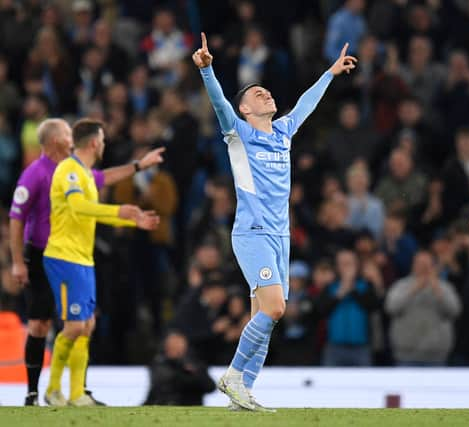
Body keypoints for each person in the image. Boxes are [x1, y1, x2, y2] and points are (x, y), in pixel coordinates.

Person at [192, 32, 356, 411]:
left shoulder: (283, 132)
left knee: (264, 317)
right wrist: (207, 70)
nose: (265, 94)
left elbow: (306, 105)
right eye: (256, 94)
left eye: (266, 91)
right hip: (252, 233)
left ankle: (241, 396)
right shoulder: (239, 133)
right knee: (275, 308)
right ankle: (232, 376)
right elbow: (219, 103)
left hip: (280, 236)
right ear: (245, 110)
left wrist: (329, 74)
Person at [8, 118, 164, 406]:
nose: (104, 144)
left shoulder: (82, 172)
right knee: (56, 324)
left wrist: (137, 175)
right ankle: (48, 390)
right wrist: (17, 260)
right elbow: (68, 210)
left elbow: (99, 189)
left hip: (81, 256)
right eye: (102, 140)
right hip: (57, 255)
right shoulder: (58, 172)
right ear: (93, 142)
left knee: (87, 324)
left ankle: (77, 392)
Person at [143, 332, 216, 406]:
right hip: (165, 404)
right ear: (166, 346)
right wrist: (191, 374)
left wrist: (195, 374)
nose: (176, 347)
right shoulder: (159, 363)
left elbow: (210, 387)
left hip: (191, 406)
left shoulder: (195, 363)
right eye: (173, 344)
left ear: (185, 346)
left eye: (179, 344)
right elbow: (167, 382)